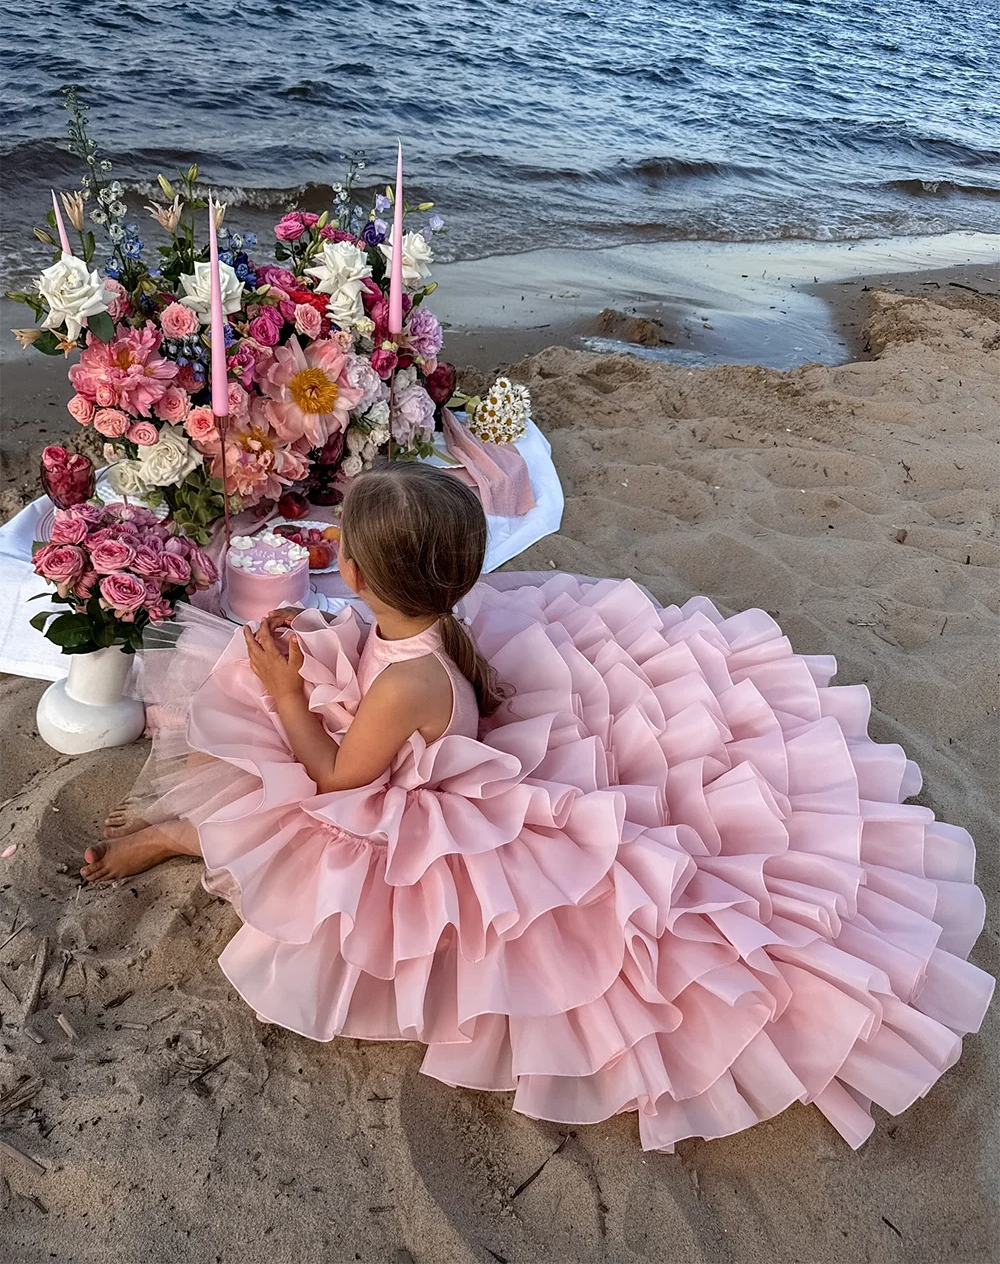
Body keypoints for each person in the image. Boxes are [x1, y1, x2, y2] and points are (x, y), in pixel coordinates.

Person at [81, 463, 993, 1153]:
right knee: (265, 722)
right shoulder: (435, 629)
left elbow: (335, 781)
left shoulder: (407, 685)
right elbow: (378, 671)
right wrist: (315, 655)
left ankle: (178, 835)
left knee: (287, 807)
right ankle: (187, 825)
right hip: (413, 730)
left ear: (352, 574)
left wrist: (287, 694)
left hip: (407, 789)